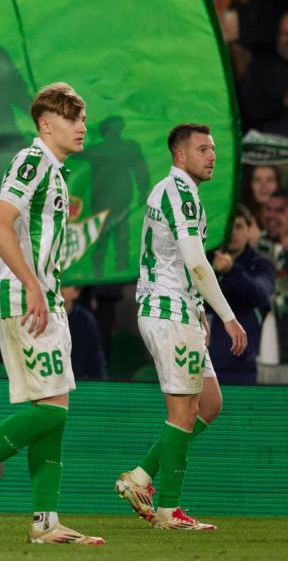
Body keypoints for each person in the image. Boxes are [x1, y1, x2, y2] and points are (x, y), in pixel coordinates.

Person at [0, 82, 104, 545]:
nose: (81, 126)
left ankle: (45, 522)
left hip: (44, 298)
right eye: (72, 118)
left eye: (83, 118)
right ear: (45, 124)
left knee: (53, 409)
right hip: (24, 297)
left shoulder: (56, 171)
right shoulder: (32, 161)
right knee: (51, 413)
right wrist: (31, 284)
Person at [115, 123, 247, 530]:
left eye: (213, 149)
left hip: (180, 309)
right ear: (180, 155)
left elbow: (179, 261)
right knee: (183, 413)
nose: (212, 156)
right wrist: (227, 315)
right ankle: (168, 511)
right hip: (168, 311)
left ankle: (140, 478)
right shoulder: (179, 194)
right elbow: (195, 262)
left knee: (209, 404)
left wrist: (199, 308)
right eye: (202, 149)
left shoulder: (178, 192)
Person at [209, 205, 275, 384]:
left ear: (249, 229)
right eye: (228, 227)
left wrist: (231, 271)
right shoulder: (203, 261)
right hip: (202, 364)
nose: (232, 233)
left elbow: (259, 293)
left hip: (242, 369)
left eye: (238, 226)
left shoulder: (261, 264)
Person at [61, 286, 107, 380]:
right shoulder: (38, 318)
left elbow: (96, 364)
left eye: (65, 284)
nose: (59, 288)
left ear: (76, 292)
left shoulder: (86, 321)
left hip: (78, 383)